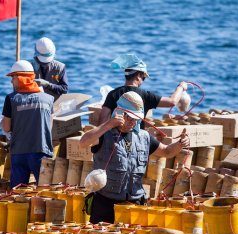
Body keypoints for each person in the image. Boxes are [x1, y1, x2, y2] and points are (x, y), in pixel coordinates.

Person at [80, 91, 189, 224]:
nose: (133, 121)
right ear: (119, 113)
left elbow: (166, 152)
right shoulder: (104, 134)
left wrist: (180, 144)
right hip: (106, 204)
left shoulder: (144, 137)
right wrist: (108, 124)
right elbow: (83, 142)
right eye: (129, 117)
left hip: (135, 205)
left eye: (136, 118)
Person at [0, 60, 54, 188]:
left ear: (20, 78)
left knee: (18, 194)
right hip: (42, 150)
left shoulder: (11, 99)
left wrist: (1, 123)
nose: (11, 81)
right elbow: (49, 125)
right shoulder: (48, 99)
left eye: (13, 77)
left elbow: (6, 127)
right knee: (44, 191)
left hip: (19, 152)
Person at [98, 54, 188, 127]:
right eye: (143, 77)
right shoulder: (145, 95)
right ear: (138, 75)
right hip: (137, 142)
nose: (143, 81)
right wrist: (181, 87)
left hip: (115, 141)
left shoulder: (113, 94)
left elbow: (102, 120)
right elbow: (172, 102)